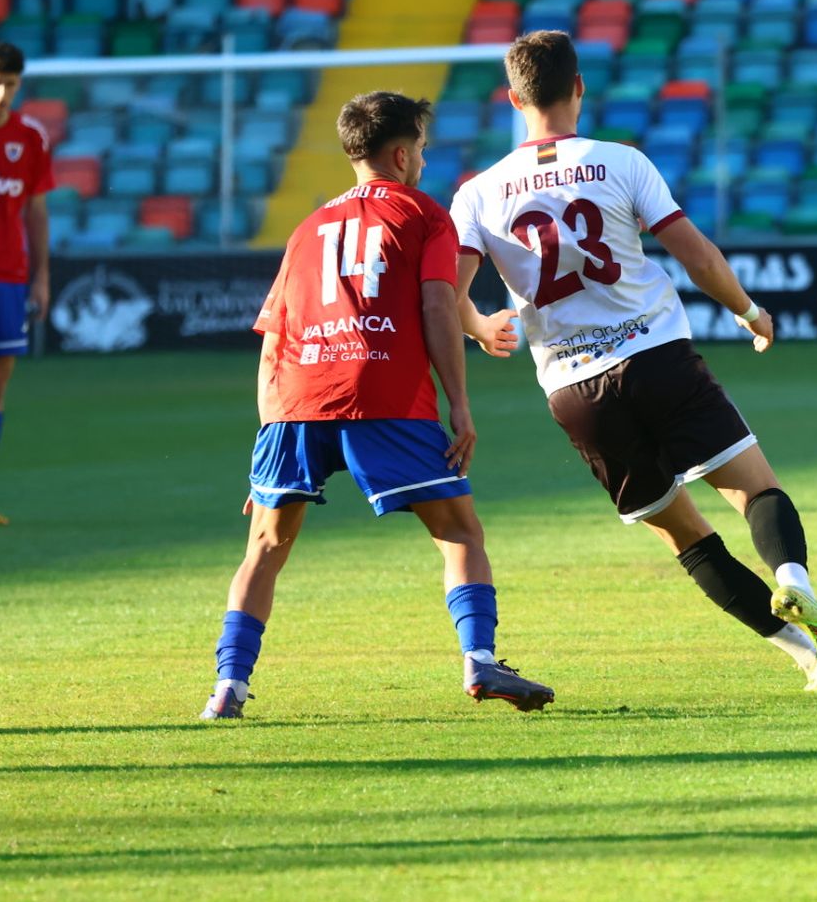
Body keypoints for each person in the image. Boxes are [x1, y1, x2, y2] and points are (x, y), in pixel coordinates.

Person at [451, 31, 817, 693]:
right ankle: (793, 579)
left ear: (513, 99)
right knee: (755, 490)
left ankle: (805, 656)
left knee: (685, 535)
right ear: (579, 87)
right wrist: (749, 312)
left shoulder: (479, 192)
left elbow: (450, 291)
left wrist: (478, 327)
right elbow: (696, 255)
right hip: (657, 356)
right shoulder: (622, 161)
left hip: (574, 387)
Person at [199, 91, 553, 719]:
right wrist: (460, 405)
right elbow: (436, 305)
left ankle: (228, 686)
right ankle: (479, 659)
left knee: (266, 546)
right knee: (459, 531)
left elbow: (273, 341)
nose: (423, 158)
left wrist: (267, 442)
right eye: (420, 146)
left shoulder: (306, 230)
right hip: (381, 393)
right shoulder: (423, 214)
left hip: (294, 403)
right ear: (399, 151)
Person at [0, 43, 53, 528]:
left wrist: (39, 277)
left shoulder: (31, 138)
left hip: (5, 277)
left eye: (11, 86)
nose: (1, 94)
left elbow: (37, 211)